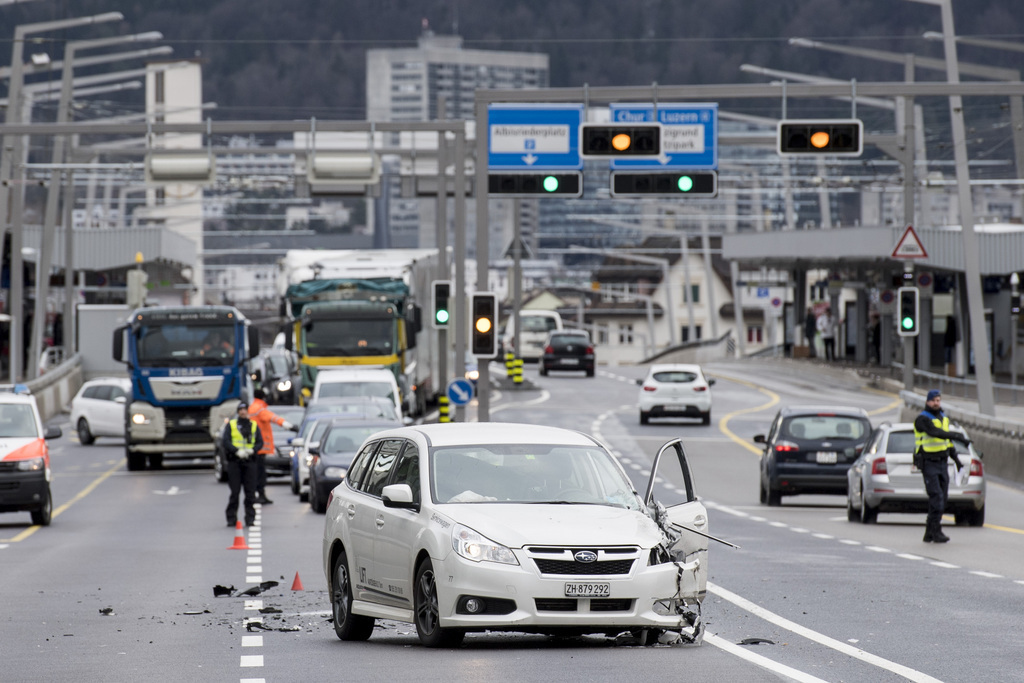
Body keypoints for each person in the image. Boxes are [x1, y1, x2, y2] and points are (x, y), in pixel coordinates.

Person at [913, 390, 970, 543]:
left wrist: (957, 460)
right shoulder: (922, 419)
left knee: (942, 499)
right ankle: (935, 531)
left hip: (942, 463)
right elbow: (935, 433)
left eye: (938, 400)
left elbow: (946, 443)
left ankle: (929, 532)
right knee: (936, 497)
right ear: (927, 402)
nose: (936, 403)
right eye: (933, 400)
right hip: (928, 463)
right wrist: (956, 436)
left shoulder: (944, 418)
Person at [248, 388, 298, 504]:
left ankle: (259, 494)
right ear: (263, 397)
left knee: (257, 473)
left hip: (254, 446)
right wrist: (289, 426)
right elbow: (274, 418)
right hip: (260, 448)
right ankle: (260, 495)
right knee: (260, 474)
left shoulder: (252, 408)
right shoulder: (259, 409)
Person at [222, 402, 263, 527]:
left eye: (245, 409)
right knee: (235, 492)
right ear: (238, 412)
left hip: (249, 462)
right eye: (241, 410)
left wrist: (253, 450)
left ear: (248, 411)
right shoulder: (232, 425)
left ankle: (250, 518)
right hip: (235, 461)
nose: (243, 412)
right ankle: (231, 518)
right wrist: (236, 451)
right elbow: (226, 441)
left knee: (250, 493)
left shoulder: (254, 425)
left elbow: (260, 442)